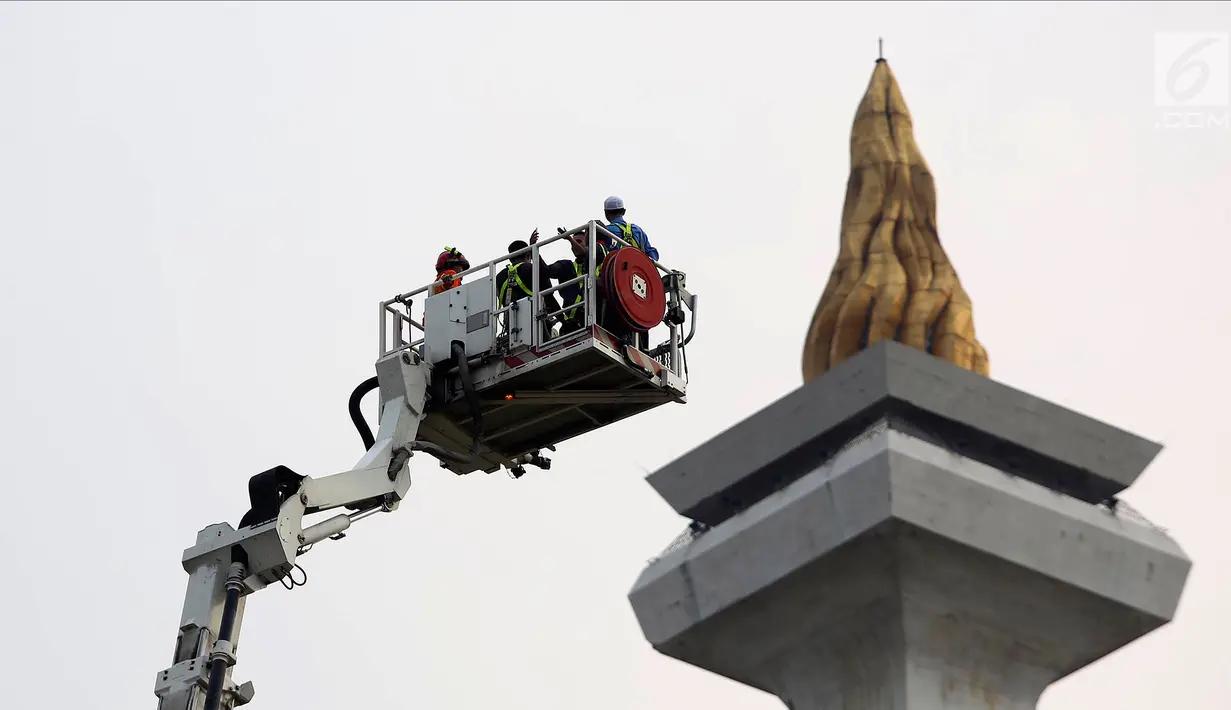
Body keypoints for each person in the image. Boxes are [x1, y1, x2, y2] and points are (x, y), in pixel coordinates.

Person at [536, 227, 611, 335]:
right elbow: (546, 272)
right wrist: (534, 252)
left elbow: (584, 253)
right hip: (571, 321)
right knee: (545, 279)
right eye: (573, 243)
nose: (574, 246)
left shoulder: (598, 254)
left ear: (588, 243)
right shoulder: (568, 266)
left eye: (579, 241)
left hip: (594, 313)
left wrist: (570, 239)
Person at [496, 232, 560, 342]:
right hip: (535, 321)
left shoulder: (499, 277)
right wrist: (562, 318)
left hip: (511, 324)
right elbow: (549, 295)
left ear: (510, 259)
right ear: (528, 255)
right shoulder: (532, 269)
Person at [601, 195, 658, 260]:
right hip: (636, 268)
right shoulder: (638, 231)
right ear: (624, 211)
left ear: (606, 213)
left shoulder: (605, 231)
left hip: (615, 268)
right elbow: (652, 255)